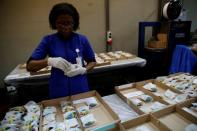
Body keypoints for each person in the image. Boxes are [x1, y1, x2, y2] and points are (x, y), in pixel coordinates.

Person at [26, 2, 96, 99]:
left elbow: (92, 61)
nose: (65, 27)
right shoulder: (48, 40)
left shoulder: (82, 40)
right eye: (61, 23)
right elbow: (30, 66)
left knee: (83, 112)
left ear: (74, 22)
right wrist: (49, 61)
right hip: (59, 89)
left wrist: (84, 69)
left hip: (80, 88)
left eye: (69, 23)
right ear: (54, 22)